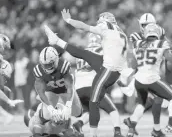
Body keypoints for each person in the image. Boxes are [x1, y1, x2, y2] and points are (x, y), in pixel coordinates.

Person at [45, 9, 128, 137]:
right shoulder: (121, 34)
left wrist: (68, 20)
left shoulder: (105, 27)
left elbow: (83, 27)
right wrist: (122, 80)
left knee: (93, 103)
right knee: (84, 55)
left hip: (105, 70)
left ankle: (91, 134)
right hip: (110, 68)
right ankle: (57, 40)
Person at [121, 23, 172, 137]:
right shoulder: (161, 43)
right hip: (152, 79)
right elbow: (171, 59)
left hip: (139, 80)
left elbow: (133, 65)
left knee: (142, 104)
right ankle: (171, 125)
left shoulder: (137, 43)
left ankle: (131, 129)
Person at [73, 32, 123, 137]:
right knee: (112, 110)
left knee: (90, 112)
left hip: (78, 89)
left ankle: (78, 123)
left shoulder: (83, 51)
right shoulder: (104, 51)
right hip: (92, 87)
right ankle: (117, 132)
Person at [33, 46, 82, 131]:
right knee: (47, 114)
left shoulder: (64, 66)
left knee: (77, 112)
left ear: (56, 60)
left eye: (49, 64)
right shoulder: (38, 70)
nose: (47, 67)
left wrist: (68, 105)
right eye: (44, 65)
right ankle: (39, 113)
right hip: (50, 91)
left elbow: (70, 87)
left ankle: (65, 119)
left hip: (65, 91)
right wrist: (50, 108)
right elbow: (40, 92)